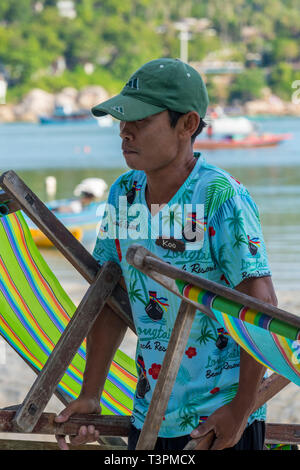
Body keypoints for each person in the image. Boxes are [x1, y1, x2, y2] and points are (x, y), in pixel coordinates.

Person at [54, 58, 277, 451]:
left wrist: (242, 409)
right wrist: (92, 393)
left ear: (187, 124)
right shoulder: (124, 194)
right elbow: (110, 296)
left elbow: (261, 307)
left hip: (218, 421)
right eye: (122, 121)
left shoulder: (220, 198)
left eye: (140, 121)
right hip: (151, 412)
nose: (125, 132)